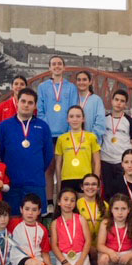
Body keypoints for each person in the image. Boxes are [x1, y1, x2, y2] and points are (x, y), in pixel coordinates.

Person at [0, 87, 54, 216]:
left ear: (35, 106)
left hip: (35, 182)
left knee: (34, 220)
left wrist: (36, 169)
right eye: (23, 101)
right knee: (12, 219)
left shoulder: (43, 127)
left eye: (30, 102)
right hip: (11, 183)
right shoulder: (4, 126)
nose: (26, 105)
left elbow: (48, 154)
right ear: (17, 102)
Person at [37, 55, 79, 209]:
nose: (57, 66)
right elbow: (40, 111)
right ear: (49, 68)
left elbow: (73, 110)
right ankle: (49, 203)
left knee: (63, 169)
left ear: (64, 67)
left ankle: (63, 201)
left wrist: (69, 131)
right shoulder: (42, 87)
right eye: (54, 64)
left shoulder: (71, 87)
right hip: (49, 135)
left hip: (65, 135)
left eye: (59, 64)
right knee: (49, 168)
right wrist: (46, 130)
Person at [8, 194, 59, 265]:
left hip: (37, 262)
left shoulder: (42, 229)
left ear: (39, 211)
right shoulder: (13, 224)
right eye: (27, 209)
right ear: (21, 210)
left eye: (34, 210)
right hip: (19, 260)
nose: (30, 213)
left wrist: (48, 264)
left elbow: (44, 252)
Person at [101, 90, 132, 198]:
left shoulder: (130, 122)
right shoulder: (104, 119)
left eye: (122, 101)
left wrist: (126, 159)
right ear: (112, 101)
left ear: (125, 104)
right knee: (107, 192)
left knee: (122, 192)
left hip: (121, 162)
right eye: (116, 100)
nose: (119, 103)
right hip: (105, 161)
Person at [50, 188, 92, 265]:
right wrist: (64, 262)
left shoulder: (81, 219)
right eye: (66, 199)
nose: (69, 203)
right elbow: (54, 245)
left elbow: (88, 241)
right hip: (64, 258)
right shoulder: (55, 223)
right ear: (59, 202)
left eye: (72, 200)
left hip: (80, 256)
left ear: (75, 203)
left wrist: (81, 260)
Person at [55, 106, 101, 193]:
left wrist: (95, 182)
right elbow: (58, 164)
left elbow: (97, 162)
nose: (75, 119)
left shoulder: (91, 137)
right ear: (67, 119)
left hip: (86, 179)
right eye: (71, 116)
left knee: (84, 202)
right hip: (67, 179)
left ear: (83, 119)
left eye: (78, 116)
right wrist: (59, 186)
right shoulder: (61, 138)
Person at [76, 174, 109, 265]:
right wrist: (89, 246)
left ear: (98, 187)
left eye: (94, 184)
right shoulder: (77, 204)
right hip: (82, 245)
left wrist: (99, 247)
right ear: (82, 187)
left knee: (103, 263)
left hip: (101, 245)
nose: (90, 187)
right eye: (87, 184)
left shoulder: (105, 205)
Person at [75, 70, 106, 144]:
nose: (81, 82)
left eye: (84, 79)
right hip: (74, 141)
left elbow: (100, 121)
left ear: (90, 82)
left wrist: (90, 137)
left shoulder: (96, 100)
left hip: (91, 141)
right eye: (79, 80)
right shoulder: (73, 98)